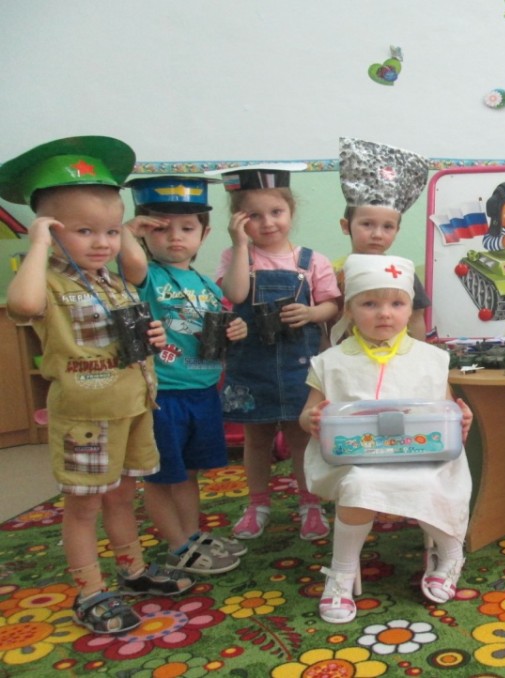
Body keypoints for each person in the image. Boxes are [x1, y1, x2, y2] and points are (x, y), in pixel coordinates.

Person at [1, 137, 195, 633]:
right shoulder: (47, 281)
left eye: (110, 231)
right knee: (84, 505)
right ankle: (89, 592)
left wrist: (151, 335)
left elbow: (134, 281)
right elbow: (22, 306)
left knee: (122, 495)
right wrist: (38, 243)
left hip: (132, 406)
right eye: (85, 231)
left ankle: (131, 568)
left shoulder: (112, 280)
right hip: (86, 418)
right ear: (51, 230)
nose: (102, 242)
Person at [301, 254, 473, 623]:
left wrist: (461, 419)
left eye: (397, 304)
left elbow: (445, 409)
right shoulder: (330, 361)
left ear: (411, 308)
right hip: (357, 457)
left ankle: (450, 552)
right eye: (369, 304)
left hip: (424, 455)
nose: (384, 314)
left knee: (430, 483)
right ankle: (341, 572)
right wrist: (311, 420)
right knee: (359, 485)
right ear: (349, 309)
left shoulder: (431, 358)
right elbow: (308, 412)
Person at [118, 174, 249, 574]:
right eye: (161, 228)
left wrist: (236, 330)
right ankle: (177, 545)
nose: (175, 236)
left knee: (189, 473)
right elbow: (131, 262)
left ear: (204, 235)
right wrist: (127, 232)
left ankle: (191, 535)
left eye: (187, 228)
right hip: (165, 395)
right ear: (145, 232)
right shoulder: (147, 276)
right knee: (161, 477)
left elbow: (225, 315)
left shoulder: (206, 284)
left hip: (203, 390)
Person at [213, 164, 342, 541]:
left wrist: (312, 313)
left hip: (297, 366)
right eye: (254, 216)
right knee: (256, 439)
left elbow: (332, 305)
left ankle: (309, 503)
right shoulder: (235, 257)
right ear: (238, 221)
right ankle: (257, 504)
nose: (268, 222)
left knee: (301, 438)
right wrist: (240, 246)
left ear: (291, 211)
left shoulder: (312, 260)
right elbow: (236, 294)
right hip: (250, 365)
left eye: (276, 212)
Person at [330, 137, 432, 342]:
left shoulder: (403, 271)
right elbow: (329, 320)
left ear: (397, 230)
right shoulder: (334, 272)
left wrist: (419, 354)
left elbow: (416, 319)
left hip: (394, 354)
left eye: (387, 227)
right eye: (367, 224)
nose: (377, 234)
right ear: (345, 226)